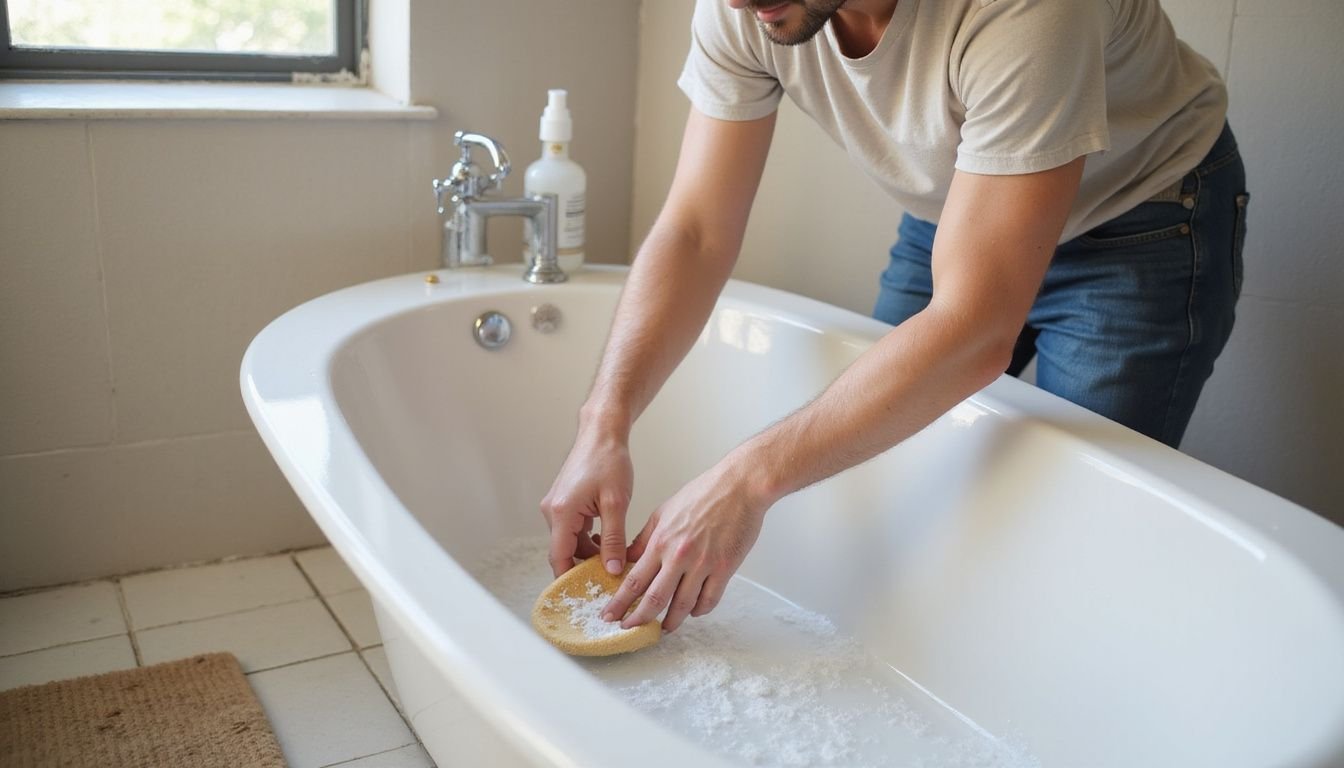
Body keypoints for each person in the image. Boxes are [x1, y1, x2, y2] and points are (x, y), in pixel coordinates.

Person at [541, 0, 1249, 635]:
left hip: (1138, 221)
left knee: (1065, 526)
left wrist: (742, 481)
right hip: (959, 207)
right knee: (870, 466)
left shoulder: (1027, 10)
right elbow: (696, 230)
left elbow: (973, 332)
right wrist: (603, 423)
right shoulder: (747, 5)